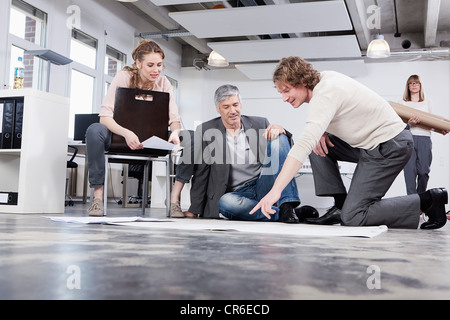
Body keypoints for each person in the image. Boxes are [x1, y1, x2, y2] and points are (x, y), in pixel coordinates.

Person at [251, 56, 447, 230]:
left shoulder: (325, 94)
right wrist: (324, 131)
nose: (284, 98)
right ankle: (341, 204)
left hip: (390, 147)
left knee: (353, 217)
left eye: (287, 90)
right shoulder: (324, 78)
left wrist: (275, 191)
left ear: (302, 81)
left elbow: (302, 144)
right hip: (370, 145)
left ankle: (428, 200)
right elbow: (342, 108)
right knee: (318, 146)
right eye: (280, 93)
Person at [184, 84, 308, 223]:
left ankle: (288, 205)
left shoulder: (260, 123)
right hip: (236, 194)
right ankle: (284, 213)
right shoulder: (206, 130)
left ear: (241, 104)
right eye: (226, 107)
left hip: (263, 184)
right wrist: (195, 209)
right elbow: (201, 173)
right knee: (226, 203)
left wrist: (282, 131)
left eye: (235, 104)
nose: (233, 111)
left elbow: (282, 155)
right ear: (218, 109)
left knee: (278, 137)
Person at [85, 40, 182, 217]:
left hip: (152, 139)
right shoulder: (124, 77)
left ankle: (174, 201)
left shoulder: (164, 83)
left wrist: (176, 131)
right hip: (121, 138)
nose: (156, 70)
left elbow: (174, 119)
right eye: (150, 65)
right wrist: (127, 133)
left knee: (188, 137)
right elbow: (105, 116)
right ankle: (98, 198)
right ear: (138, 63)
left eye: (159, 65)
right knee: (94, 130)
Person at [400, 75, 441, 195]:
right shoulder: (402, 103)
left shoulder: (427, 102)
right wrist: (408, 123)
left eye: (416, 83)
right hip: (408, 138)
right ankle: (413, 202)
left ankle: (421, 199)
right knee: (410, 172)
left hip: (424, 138)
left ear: (420, 85)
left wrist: (440, 129)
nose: (414, 85)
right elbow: (398, 124)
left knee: (423, 172)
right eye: (411, 83)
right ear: (408, 86)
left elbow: (431, 122)